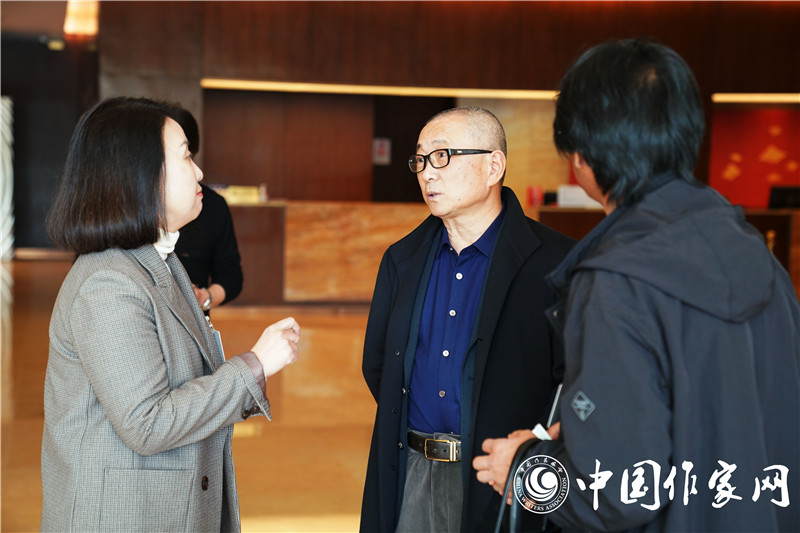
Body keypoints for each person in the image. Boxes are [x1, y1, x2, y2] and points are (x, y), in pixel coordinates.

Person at [473, 39, 800, 532]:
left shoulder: (616, 280)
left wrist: (524, 470)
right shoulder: (758, 255)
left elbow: (620, 492)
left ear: (582, 153)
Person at [41, 96, 301, 532]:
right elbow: (148, 423)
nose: (198, 172)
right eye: (185, 157)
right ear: (141, 175)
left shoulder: (157, 259)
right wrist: (255, 365)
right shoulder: (109, 283)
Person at [360, 106, 574, 532]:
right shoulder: (402, 259)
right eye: (420, 160)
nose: (427, 173)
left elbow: (578, 383)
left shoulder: (557, 264)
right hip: (412, 471)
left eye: (442, 156)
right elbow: (379, 366)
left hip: (503, 474)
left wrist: (537, 451)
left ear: (494, 166)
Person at [166, 106, 244, 313]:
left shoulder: (213, 206)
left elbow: (231, 276)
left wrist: (204, 297)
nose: (198, 174)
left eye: (188, 156)